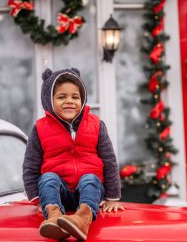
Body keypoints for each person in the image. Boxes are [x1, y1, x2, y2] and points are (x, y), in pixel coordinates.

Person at [23, 68, 124, 241]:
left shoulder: (96, 125)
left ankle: (82, 219)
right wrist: (38, 200)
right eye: (61, 97)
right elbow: (30, 166)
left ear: (82, 99)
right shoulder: (40, 128)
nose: (69, 101)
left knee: (90, 179)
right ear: (49, 100)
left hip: (89, 193)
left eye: (75, 97)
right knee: (48, 178)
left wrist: (112, 198)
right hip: (57, 193)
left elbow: (109, 161)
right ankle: (54, 217)